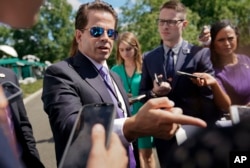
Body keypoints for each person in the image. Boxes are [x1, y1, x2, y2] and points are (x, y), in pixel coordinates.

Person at [41, 1, 207, 167]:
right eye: (97, 31)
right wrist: (132, 126)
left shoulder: (115, 77)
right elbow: (70, 128)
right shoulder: (60, 73)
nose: (105, 38)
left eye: (110, 33)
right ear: (79, 36)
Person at [139, 1, 222, 167]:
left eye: (171, 21)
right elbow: (143, 93)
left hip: (195, 134)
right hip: (164, 135)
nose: (165, 26)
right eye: (161, 21)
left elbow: (209, 98)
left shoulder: (200, 54)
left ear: (184, 24)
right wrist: (155, 92)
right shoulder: (149, 57)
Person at [111, 32, 156, 168]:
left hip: (144, 114)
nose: (125, 53)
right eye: (122, 49)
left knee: (146, 155)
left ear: (136, 48)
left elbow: (152, 90)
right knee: (129, 156)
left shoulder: (144, 67)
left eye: (128, 49)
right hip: (124, 118)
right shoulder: (114, 70)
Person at [199, 19, 250, 106]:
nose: (227, 43)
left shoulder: (245, 60)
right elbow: (225, 106)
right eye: (221, 40)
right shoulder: (211, 69)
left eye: (230, 38)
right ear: (213, 43)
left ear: (237, 38)